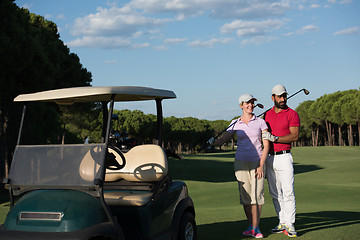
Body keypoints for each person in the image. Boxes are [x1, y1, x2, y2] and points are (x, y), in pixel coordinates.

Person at [209, 93, 269, 239]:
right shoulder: (235, 123)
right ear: (241, 105)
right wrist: (212, 143)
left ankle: (256, 227)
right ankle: (251, 225)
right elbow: (224, 139)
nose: (251, 105)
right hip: (241, 162)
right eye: (247, 103)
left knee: (257, 196)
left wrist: (261, 165)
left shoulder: (260, 122)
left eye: (252, 103)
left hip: (257, 162)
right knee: (246, 197)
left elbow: (266, 145)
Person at [262, 84, 300, 238]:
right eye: (279, 96)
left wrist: (276, 138)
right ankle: (282, 221)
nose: (283, 99)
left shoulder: (292, 114)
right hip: (269, 158)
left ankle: (290, 224)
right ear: (273, 98)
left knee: (288, 191)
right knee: (275, 192)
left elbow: (294, 136)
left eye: (284, 95)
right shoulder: (266, 114)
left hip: (284, 156)